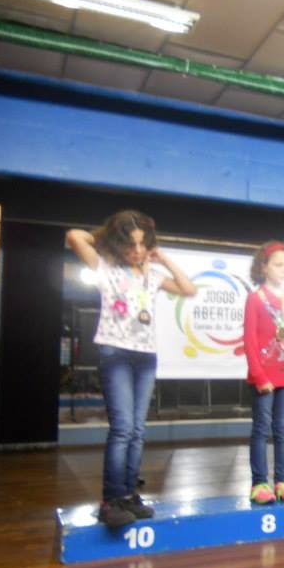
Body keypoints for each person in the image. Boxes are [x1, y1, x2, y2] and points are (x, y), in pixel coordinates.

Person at [65, 211, 196, 528]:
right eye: (130, 244)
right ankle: (111, 499)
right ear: (118, 243)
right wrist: (109, 236)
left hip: (146, 356)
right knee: (123, 427)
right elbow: (74, 235)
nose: (137, 251)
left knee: (137, 430)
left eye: (142, 244)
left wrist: (163, 258)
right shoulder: (106, 267)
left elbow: (188, 289)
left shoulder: (152, 274)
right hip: (116, 353)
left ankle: (128, 494)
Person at [243, 241, 284, 505]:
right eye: (278, 265)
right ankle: (259, 482)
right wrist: (259, 376)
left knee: (282, 429)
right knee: (261, 429)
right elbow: (249, 341)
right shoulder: (255, 298)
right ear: (264, 267)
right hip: (264, 379)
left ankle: (283, 480)